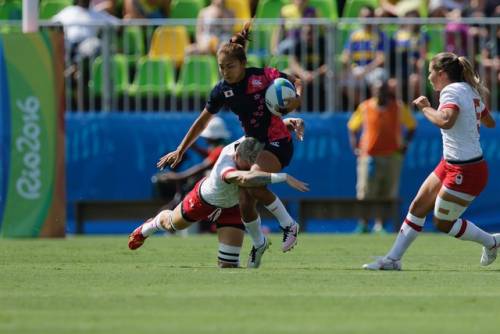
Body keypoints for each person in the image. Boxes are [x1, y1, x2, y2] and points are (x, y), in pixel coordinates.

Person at [157, 22, 304, 253]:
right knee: (245, 200)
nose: (225, 71)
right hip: (253, 144)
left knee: (253, 181)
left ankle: (289, 225)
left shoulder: (262, 77)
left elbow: (296, 81)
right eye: (221, 67)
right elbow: (202, 121)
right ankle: (259, 244)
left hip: (277, 141)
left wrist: (295, 99)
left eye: (230, 66)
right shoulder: (221, 90)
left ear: (243, 64)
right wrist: (180, 149)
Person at [364, 52, 498, 270]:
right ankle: (392, 259)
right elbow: (490, 122)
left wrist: (425, 107)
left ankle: (491, 242)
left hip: (467, 169)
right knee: (417, 207)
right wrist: (473, 115)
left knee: (443, 223)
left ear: (442, 73)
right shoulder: (468, 90)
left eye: (430, 72)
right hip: (451, 163)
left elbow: (445, 121)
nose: (428, 77)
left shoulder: (451, 91)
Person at [129, 135, 309, 269]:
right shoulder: (226, 163)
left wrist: (288, 122)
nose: (250, 169)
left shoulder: (248, 143)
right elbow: (245, 179)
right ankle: (148, 227)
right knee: (172, 225)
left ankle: (261, 241)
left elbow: (269, 130)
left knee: (227, 265)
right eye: (247, 165)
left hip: (232, 207)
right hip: (204, 200)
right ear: (238, 156)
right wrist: (283, 177)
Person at [348, 78, 417, 234]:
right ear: (373, 91)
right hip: (368, 156)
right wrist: (355, 148)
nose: (380, 93)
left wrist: (405, 144)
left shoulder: (398, 107)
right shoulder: (365, 107)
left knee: (387, 192)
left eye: (383, 90)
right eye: (378, 90)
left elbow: (412, 126)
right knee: (365, 191)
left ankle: (380, 226)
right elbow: (352, 127)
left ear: (388, 91)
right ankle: (363, 224)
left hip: (392, 156)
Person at [152, 116, 231, 232]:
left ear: (213, 136)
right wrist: (195, 147)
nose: (205, 139)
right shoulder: (221, 147)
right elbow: (209, 155)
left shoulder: (220, 150)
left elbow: (203, 166)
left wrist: (178, 177)